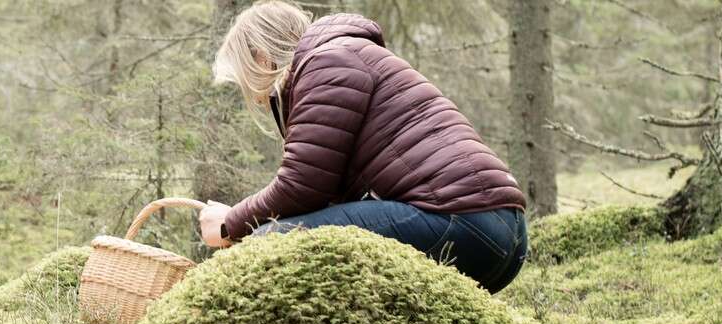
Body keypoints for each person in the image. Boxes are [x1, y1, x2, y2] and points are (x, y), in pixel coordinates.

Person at [198, 1, 529, 293]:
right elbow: (326, 196)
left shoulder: (326, 63)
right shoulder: (341, 57)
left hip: (462, 222)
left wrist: (231, 222)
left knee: (273, 242)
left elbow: (302, 187)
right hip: (500, 233)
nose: (254, 95)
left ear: (262, 58)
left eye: (246, 78)